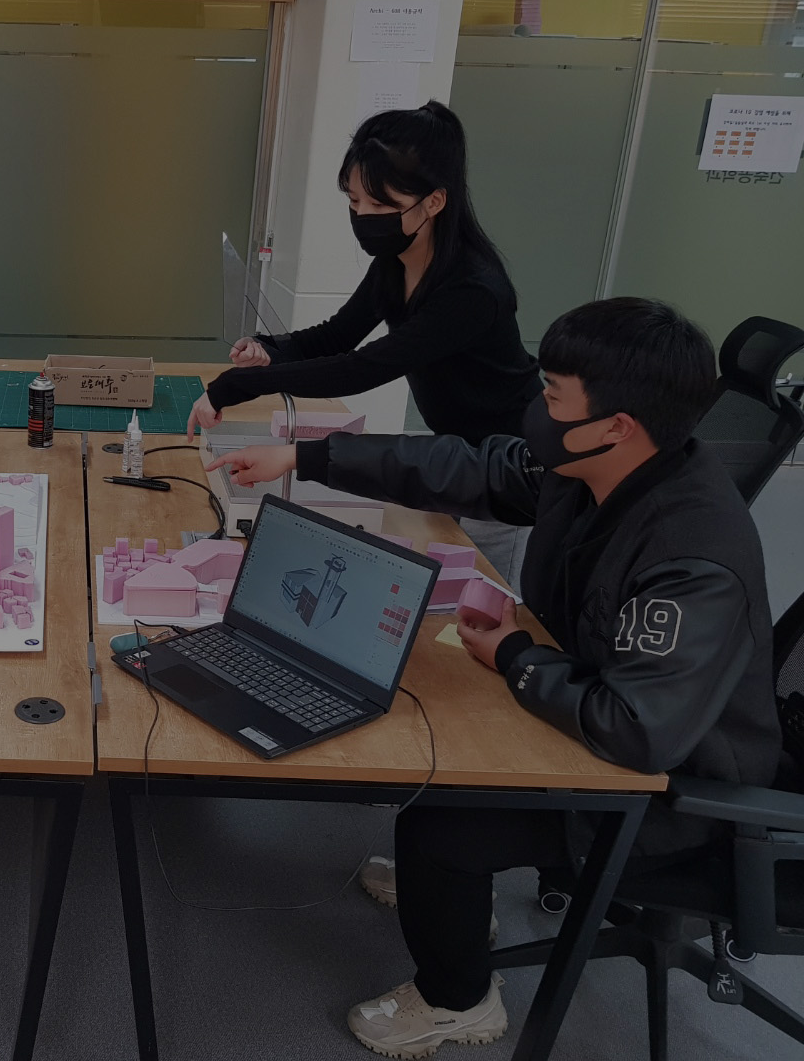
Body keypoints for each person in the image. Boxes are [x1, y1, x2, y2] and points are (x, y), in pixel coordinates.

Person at [209, 298, 781, 1058]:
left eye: (552, 395)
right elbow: (470, 468)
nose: (535, 409)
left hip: (675, 790)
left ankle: (460, 1000)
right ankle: (456, 902)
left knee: (439, 827)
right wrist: (307, 458)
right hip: (600, 704)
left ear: (616, 425)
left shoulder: (692, 556)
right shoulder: (595, 466)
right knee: (436, 736)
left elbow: (637, 730)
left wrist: (515, 656)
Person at [189, 101, 540, 586]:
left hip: (508, 463)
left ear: (435, 201)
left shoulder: (471, 290)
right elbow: (337, 335)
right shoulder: (396, 261)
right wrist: (269, 349)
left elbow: (363, 368)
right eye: (355, 202)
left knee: (484, 597)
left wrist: (236, 386)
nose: (363, 216)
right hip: (457, 453)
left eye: (380, 205)